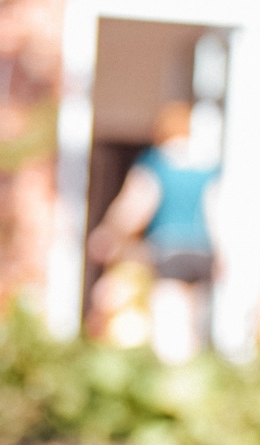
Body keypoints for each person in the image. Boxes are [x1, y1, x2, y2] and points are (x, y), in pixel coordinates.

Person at [87, 101, 221, 364]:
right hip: (202, 249)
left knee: (170, 319)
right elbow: (215, 210)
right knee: (194, 320)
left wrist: (111, 232)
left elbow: (137, 203)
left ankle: (172, 379)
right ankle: (193, 372)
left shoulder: (157, 163)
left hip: (169, 246)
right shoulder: (207, 166)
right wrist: (220, 252)